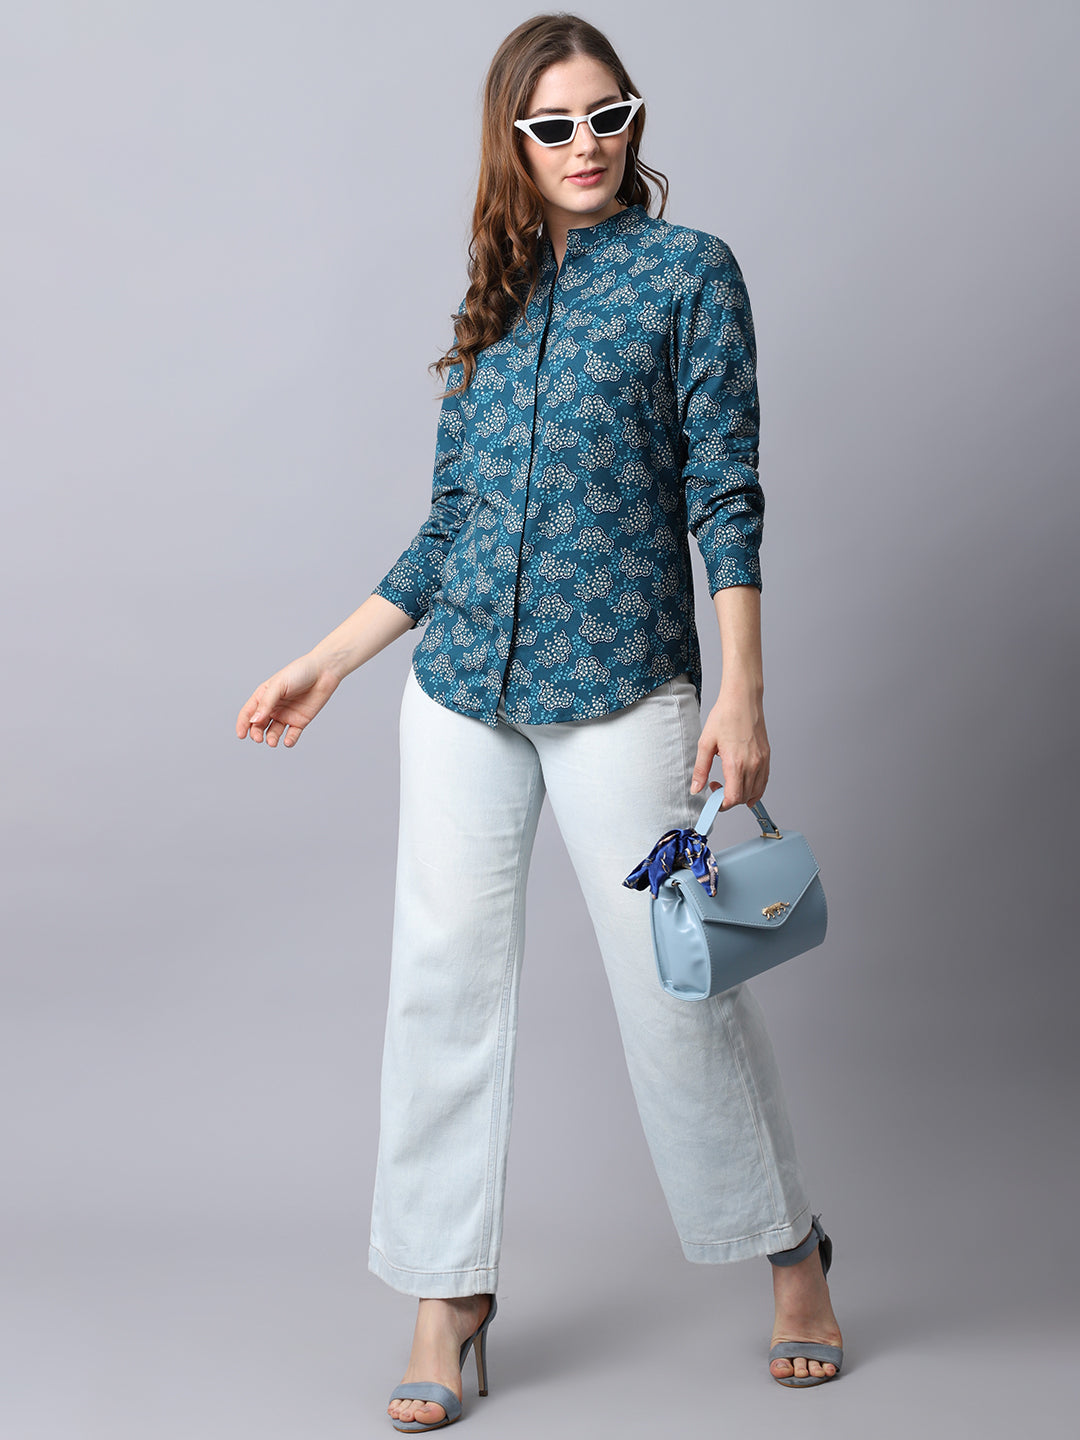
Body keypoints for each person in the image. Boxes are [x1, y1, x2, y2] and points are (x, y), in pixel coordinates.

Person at [236, 12, 844, 1430]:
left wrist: (742, 688)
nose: (586, 145)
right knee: (440, 986)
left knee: (679, 990)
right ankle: (446, 1295)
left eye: (608, 116)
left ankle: (792, 1250)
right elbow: (452, 522)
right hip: (461, 691)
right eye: (555, 125)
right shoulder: (493, 296)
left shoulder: (691, 275)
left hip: (624, 684)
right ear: (512, 139)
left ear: (635, 121)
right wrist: (330, 661)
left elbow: (726, 488)